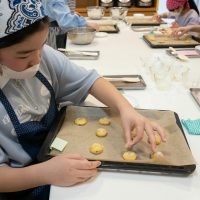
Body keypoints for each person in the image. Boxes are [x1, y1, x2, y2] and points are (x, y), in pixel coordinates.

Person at [0, 0, 166, 199]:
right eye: (24, 54)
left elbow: (90, 81)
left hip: (60, 155)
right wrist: (44, 173)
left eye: (42, 46)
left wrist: (126, 109)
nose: (37, 59)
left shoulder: (45, 59)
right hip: (24, 185)